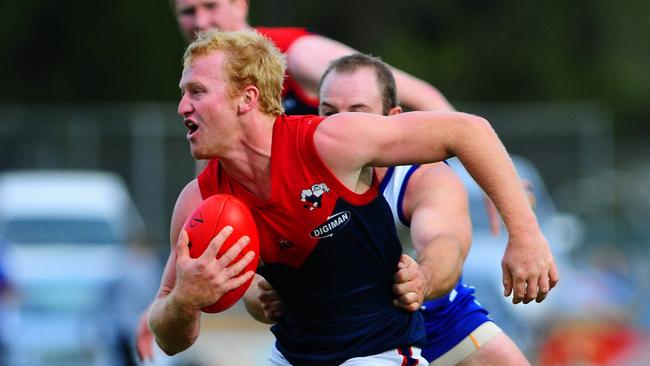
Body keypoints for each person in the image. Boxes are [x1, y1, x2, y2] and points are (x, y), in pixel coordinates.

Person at [146, 29, 557, 365]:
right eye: (184, 92)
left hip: (386, 346)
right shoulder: (199, 202)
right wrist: (185, 298)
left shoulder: (333, 143)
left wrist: (525, 237)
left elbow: (468, 134)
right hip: (296, 355)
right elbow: (169, 336)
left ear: (248, 98)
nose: (182, 106)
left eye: (197, 91)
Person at [247, 53, 535, 365]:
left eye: (358, 111)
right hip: (333, 338)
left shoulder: (423, 177)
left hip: (438, 324)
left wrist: (423, 278)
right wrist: (257, 296)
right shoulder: (290, 175)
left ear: (393, 116)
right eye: (328, 112)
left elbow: (446, 243)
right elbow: (253, 266)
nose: (342, 123)